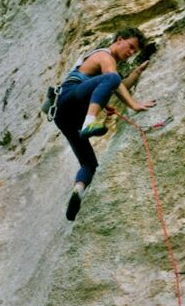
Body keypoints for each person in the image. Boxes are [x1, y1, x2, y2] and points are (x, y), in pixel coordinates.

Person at [54, 27, 156, 221]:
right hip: (69, 98)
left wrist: (136, 73)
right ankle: (89, 124)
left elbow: (118, 86)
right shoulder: (104, 55)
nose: (131, 53)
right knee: (112, 77)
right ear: (119, 39)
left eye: (134, 51)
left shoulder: (110, 68)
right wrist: (134, 105)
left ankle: (78, 190)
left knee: (89, 164)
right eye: (130, 46)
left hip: (65, 117)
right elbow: (113, 79)